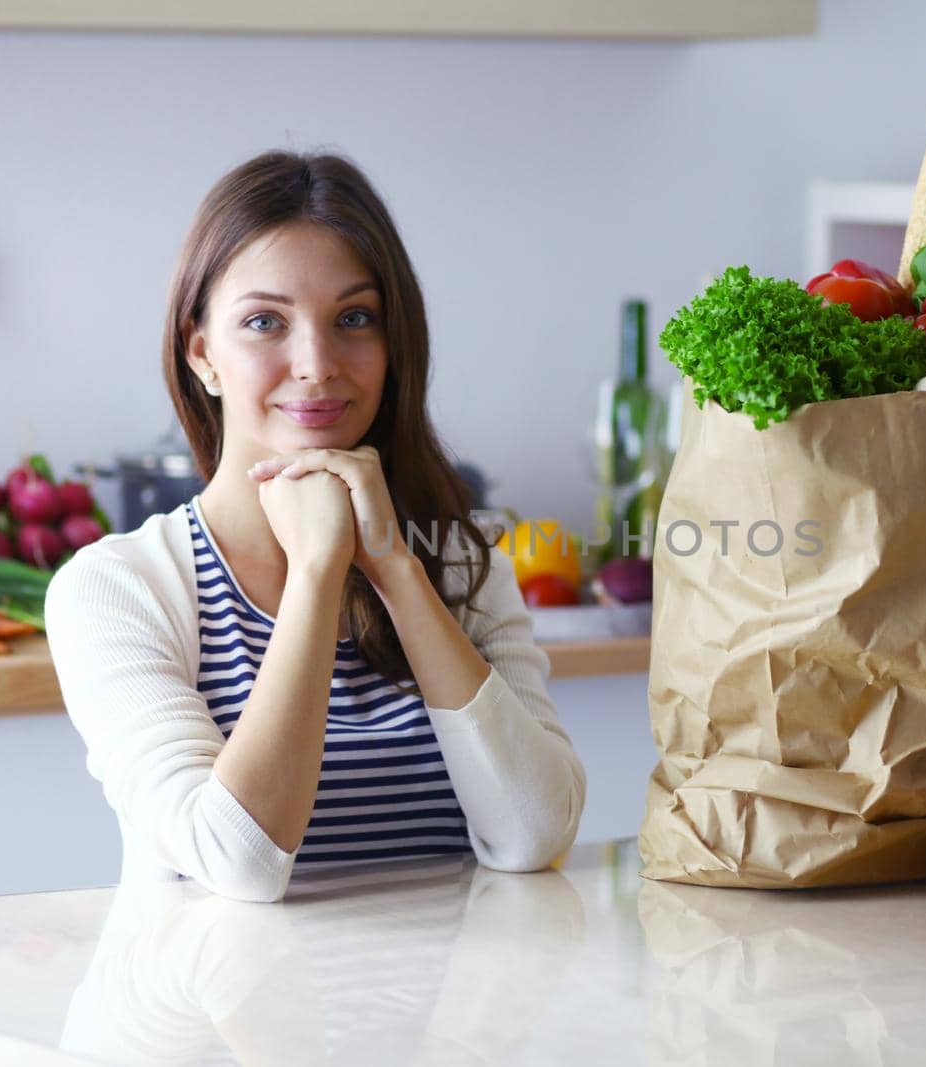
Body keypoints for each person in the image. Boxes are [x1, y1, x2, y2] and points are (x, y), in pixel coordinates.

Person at [45, 151, 586, 902]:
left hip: (448, 1016)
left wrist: (396, 569)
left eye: (354, 318)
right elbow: (238, 860)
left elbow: (534, 834)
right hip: (219, 1015)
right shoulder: (118, 587)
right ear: (202, 352)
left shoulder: (461, 565)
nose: (317, 363)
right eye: (265, 321)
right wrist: (316, 570)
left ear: (395, 345)